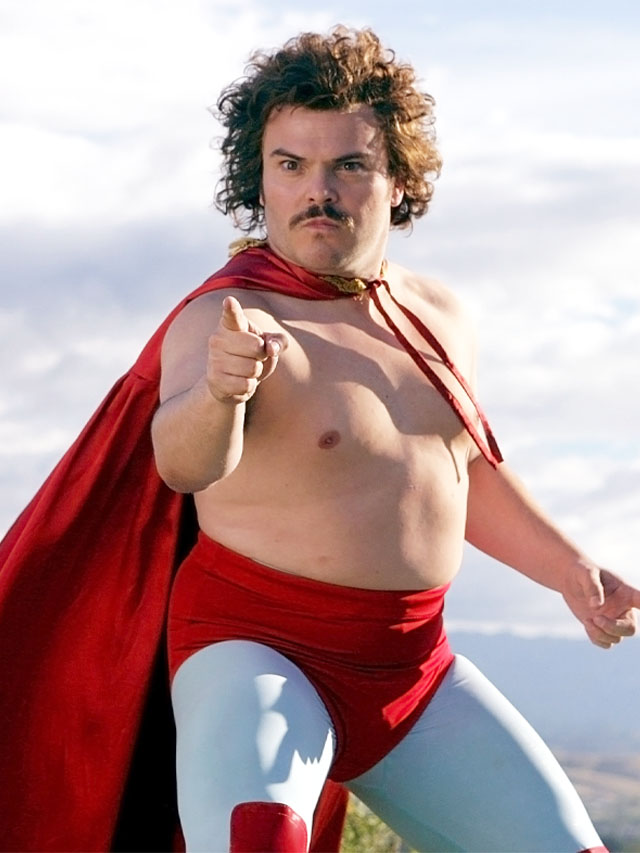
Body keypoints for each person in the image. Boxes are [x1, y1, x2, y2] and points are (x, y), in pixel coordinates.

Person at [147, 26, 639, 853]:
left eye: (348, 164)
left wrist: (568, 568)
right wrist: (221, 393)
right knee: (257, 838)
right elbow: (182, 462)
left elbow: (459, 466)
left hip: (415, 668)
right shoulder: (224, 318)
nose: (318, 190)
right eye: (291, 164)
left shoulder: (438, 314)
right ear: (259, 178)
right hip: (258, 652)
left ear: (397, 178)